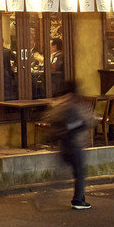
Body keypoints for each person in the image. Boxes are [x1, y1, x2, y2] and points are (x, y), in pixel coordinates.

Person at [46, 80, 93, 209]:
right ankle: (78, 200)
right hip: (75, 143)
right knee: (80, 172)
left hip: (64, 143)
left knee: (72, 171)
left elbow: (51, 120)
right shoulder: (74, 105)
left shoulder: (59, 104)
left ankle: (79, 198)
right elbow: (85, 121)